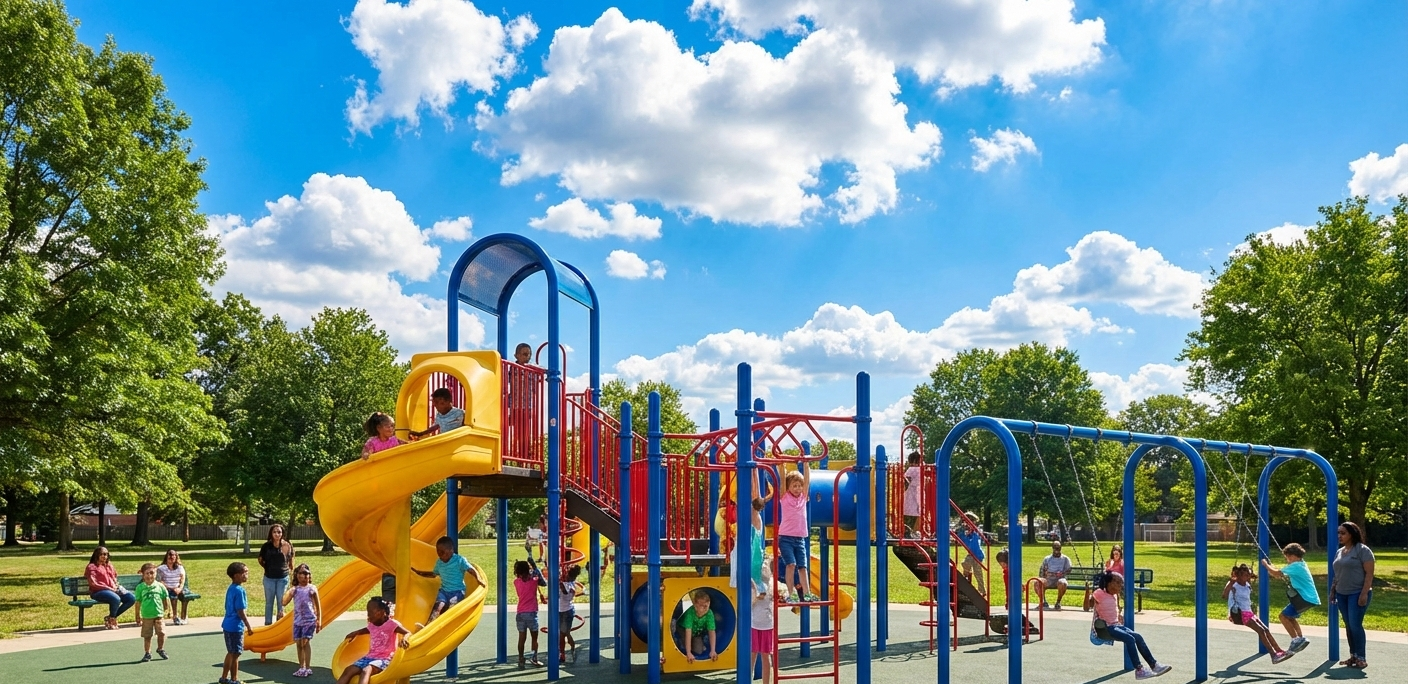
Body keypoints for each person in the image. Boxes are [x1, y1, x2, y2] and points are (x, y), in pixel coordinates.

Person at [1092, 571, 1172, 679]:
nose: (1121, 585)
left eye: (1121, 583)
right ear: (1109, 583)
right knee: (1130, 639)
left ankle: (1154, 665)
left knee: (1138, 637)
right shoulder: (1099, 593)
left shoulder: (1114, 596)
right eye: (1118, 582)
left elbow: (1113, 609)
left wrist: (1118, 614)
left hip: (1117, 625)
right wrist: (1088, 593)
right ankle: (1139, 670)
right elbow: (1087, 606)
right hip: (1106, 628)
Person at [1223, 562, 1291, 662]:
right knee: (1261, 631)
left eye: (1248, 575)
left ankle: (1279, 651)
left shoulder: (1247, 584)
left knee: (1266, 629)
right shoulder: (1234, 584)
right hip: (1240, 613)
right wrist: (1230, 583)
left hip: (1249, 612)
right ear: (1239, 575)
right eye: (1244, 575)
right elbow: (1224, 596)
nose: (1247, 576)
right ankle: (1273, 655)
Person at [1331, 521, 1375, 669]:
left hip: (1357, 593)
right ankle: (1353, 656)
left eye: (1343, 533)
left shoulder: (1363, 550)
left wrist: (1363, 594)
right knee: (1349, 626)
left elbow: (1369, 574)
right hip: (1342, 594)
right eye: (1338, 533)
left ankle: (1361, 657)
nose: (1339, 536)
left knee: (1356, 625)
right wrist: (1333, 591)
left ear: (1352, 534)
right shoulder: (1340, 551)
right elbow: (1337, 574)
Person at [336, 596, 409, 684]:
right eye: (368, 612)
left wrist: (405, 638)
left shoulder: (392, 624)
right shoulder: (372, 625)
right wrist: (355, 633)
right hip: (369, 657)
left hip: (385, 659)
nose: (368, 615)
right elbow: (365, 630)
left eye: (371, 612)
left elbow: (407, 632)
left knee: (366, 670)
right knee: (348, 670)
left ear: (382, 612)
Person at [1262, 543, 1319, 654]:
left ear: (1293, 556)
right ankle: (1300, 638)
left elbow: (1276, 574)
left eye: (1287, 557)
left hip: (1304, 597)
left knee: (1283, 616)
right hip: (1311, 598)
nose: (1287, 560)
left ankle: (1295, 640)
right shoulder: (1302, 564)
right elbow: (1279, 573)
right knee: (1290, 617)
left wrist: (1265, 564)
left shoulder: (1295, 565)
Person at [777, 462, 817, 603]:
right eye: (794, 486)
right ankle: (791, 593)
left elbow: (807, 481)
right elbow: (782, 481)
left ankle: (807, 593)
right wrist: (782, 468)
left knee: (802, 567)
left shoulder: (803, 497)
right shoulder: (785, 497)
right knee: (791, 565)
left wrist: (806, 465)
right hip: (786, 538)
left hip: (800, 539)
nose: (798, 488)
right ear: (788, 487)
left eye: (799, 486)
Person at [414, 536, 474, 626]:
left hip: (457, 591)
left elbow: (470, 569)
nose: (440, 554)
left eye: (443, 552)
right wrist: (420, 573)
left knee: (451, 606)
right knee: (438, 606)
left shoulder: (459, 560)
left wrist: (479, 579)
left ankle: (446, 625)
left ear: (451, 550)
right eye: (438, 552)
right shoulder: (439, 563)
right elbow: (434, 574)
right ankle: (428, 626)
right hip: (444, 591)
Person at [283, 563, 322, 678]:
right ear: (297, 575)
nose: (305, 576)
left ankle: (307, 667)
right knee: (299, 644)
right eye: (302, 573)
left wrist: (319, 620)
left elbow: (318, 606)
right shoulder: (295, 590)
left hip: (309, 620)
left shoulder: (312, 588)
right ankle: (301, 667)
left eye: (307, 573)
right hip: (297, 621)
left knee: (305, 643)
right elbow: (284, 602)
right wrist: (288, 591)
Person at [85, 546, 135, 629]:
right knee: (115, 598)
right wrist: (109, 588)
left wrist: (115, 585)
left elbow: (114, 577)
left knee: (131, 598)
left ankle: (111, 617)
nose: (104, 556)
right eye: (102, 554)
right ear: (96, 555)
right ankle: (112, 620)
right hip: (98, 591)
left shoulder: (109, 565)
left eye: (106, 554)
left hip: (113, 589)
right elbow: (93, 584)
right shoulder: (92, 567)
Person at [221, 562, 254, 684]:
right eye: (244, 572)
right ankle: (234, 679)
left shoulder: (231, 588)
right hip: (235, 626)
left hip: (227, 624)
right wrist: (248, 626)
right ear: (236, 575)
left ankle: (224, 677)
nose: (246, 574)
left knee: (231, 652)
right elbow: (240, 611)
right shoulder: (240, 591)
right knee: (235, 653)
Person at [258, 523, 295, 625]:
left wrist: (291, 571)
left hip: (283, 578)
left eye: (279, 532)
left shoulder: (287, 545)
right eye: (274, 532)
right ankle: (268, 624)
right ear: (271, 533)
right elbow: (260, 559)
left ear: (282, 533)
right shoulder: (266, 546)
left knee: (281, 602)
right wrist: (267, 567)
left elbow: (291, 559)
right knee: (269, 602)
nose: (277, 534)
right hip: (269, 578)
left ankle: (280, 624)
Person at [514, 559, 547, 668]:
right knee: (534, 638)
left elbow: (525, 578)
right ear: (528, 570)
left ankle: (521, 659)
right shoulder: (534, 580)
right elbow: (543, 582)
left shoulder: (516, 582)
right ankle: (534, 658)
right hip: (531, 613)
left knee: (521, 638)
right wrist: (533, 565)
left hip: (520, 613)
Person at [134, 562, 169, 661]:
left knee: (161, 632)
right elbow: (137, 602)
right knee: (147, 635)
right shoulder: (140, 587)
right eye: (147, 573)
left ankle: (160, 648)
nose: (150, 576)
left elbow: (165, 598)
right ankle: (147, 653)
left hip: (158, 614)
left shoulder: (160, 586)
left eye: (152, 573)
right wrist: (137, 615)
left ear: (155, 573)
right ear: (143, 574)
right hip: (147, 615)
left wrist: (167, 609)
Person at [752, 560, 777, 684]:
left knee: (765, 656)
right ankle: (748, 680)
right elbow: (750, 603)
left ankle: (766, 682)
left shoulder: (772, 584)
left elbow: (775, 596)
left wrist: (768, 595)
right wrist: (756, 596)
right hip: (754, 624)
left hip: (767, 625)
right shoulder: (754, 583)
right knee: (752, 655)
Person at [679, 590, 718, 663]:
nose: (705, 608)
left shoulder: (709, 613)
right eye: (702, 605)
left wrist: (713, 650)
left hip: (696, 632)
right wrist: (688, 652)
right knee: (684, 645)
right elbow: (688, 632)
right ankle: (680, 642)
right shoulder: (690, 613)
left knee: (699, 651)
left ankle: (694, 644)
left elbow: (712, 631)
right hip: (683, 629)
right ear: (695, 606)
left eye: (707, 605)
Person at [155, 549, 189, 625]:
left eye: (173, 555)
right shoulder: (161, 568)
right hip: (167, 588)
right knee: (173, 597)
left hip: (178, 588)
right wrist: (170, 588)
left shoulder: (180, 567)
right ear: (166, 557)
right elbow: (159, 580)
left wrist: (180, 588)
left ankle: (184, 617)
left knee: (185, 596)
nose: (172, 557)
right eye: (170, 555)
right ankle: (175, 616)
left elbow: (182, 578)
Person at [558, 565, 583, 664]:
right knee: (565, 633)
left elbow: (564, 592)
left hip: (567, 612)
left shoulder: (570, 585)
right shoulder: (567, 583)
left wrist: (559, 582)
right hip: (561, 610)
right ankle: (571, 647)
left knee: (562, 634)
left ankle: (563, 654)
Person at [957, 512, 986, 594]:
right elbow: (962, 538)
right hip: (971, 553)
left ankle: (982, 591)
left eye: (968, 521)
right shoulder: (965, 530)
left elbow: (975, 538)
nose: (966, 524)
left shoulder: (976, 530)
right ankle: (966, 575)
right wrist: (961, 530)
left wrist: (970, 530)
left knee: (978, 574)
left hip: (977, 554)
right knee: (965, 563)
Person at [1038, 541, 1072, 609]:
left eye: (1058, 548)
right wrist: (1044, 574)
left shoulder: (1065, 559)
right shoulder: (1047, 558)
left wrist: (1062, 573)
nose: (1057, 550)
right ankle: (1043, 601)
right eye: (1055, 548)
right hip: (1049, 579)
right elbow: (1042, 570)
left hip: (1059, 579)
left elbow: (1069, 570)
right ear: (1052, 548)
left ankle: (1058, 602)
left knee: (1062, 583)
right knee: (1037, 582)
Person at [902, 452, 923, 538]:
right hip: (919, 492)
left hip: (911, 492)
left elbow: (906, 480)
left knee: (908, 512)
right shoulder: (921, 469)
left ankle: (907, 532)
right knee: (918, 512)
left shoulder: (912, 469)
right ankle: (915, 531)